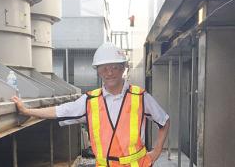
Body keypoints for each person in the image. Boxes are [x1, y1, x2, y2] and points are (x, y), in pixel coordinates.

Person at [12, 42, 169, 167]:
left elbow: (164, 121)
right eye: (104, 68)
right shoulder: (90, 101)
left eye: (114, 67)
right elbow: (60, 111)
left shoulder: (140, 97)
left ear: (123, 68)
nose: (109, 72)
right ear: (98, 71)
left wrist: (157, 151)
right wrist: (27, 111)